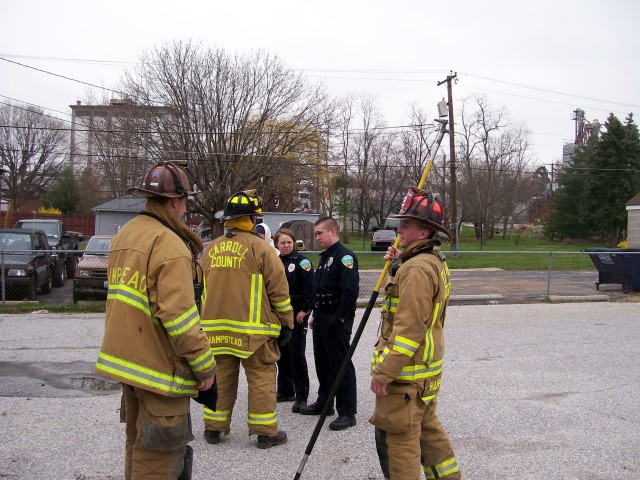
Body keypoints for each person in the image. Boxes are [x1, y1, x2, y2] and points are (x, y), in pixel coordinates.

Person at [95, 162, 217, 480]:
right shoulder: (170, 245)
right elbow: (179, 317)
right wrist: (204, 367)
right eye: (186, 201)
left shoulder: (128, 234)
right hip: (159, 371)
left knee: (136, 444)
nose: (186, 207)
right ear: (175, 200)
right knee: (159, 456)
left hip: (129, 364)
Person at [369, 187, 460, 480]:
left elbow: (409, 330)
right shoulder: (430, 261)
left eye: (406, 224)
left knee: (401, 442)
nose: (399, 228)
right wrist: (400, 259)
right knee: (428, 433)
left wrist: (385, 372)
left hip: (406, 375)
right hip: (424, 373)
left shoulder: (417, 269)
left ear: (423, 233)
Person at [199, 190, 294, 449]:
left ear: (228, 219)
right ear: (252, 219)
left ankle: (214, 428)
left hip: (215, 331)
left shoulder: (211, 249)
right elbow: (279, 291)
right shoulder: (261, 248)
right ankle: (265, 433)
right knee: (262, 377)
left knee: (221, 377)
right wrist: (287, 322)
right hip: (254, 332)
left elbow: (198, 287)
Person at [299, 217, 359, 431]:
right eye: (316, 234)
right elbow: (320, 288)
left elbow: (350, 291)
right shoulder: (325, 257)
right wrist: (314, 312)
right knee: (322, 362)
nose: (317, 238)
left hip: (336, 318)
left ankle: (347, 412)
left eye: (319, 233)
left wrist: (341, 318)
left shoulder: (344, 257)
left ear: (332, 231)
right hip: (323, 316)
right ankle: (325, 402)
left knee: (340, 364)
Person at [273, 228, 314, 413]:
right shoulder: (275, 262)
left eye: (289, 242)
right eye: (283, 243)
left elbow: (309, 288)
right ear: (276, 245)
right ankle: (285, 389)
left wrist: (305, 310)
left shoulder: (302, 262)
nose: (287, 245)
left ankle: (302, 396)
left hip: (297, 313)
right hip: (279, 314)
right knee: (281, 353)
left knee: (297, 354)